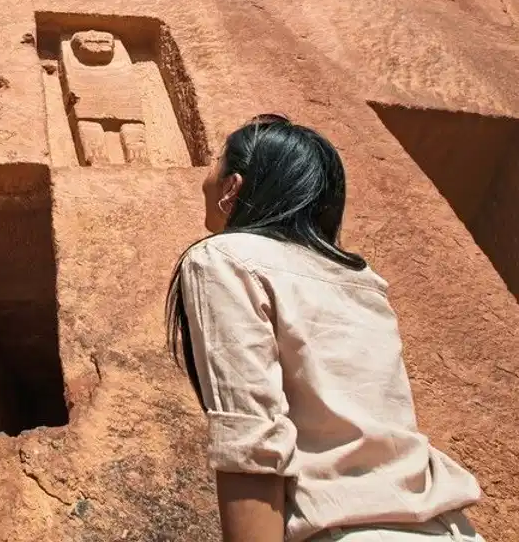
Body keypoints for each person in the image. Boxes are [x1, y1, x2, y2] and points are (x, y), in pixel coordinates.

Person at [166, 114, 482, 542]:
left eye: (217, 160)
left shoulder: (224, 258)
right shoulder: (361, 278)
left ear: (233, 187)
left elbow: (251, 445)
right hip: (447, 530)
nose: (207, 175)